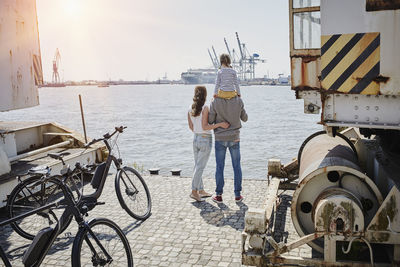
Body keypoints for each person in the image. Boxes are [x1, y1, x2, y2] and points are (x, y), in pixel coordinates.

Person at [187, 86, 230, 202]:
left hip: (195, 138)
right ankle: (194, 191)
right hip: (205, 138)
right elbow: (206, 126)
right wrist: (220, 124)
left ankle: (200, 190)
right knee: (200, 167)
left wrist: (198, 132)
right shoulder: (205, 108)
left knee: (197, 165)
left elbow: (191, 127)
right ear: (204, 95)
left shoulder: (190, 108)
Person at [208, 90, 248, 203]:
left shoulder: (215, 101)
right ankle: (237, 195)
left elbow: (210, 120)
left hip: (220, 138)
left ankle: (219, 195)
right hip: (235, 138)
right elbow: (245, 118)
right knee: (237, 166)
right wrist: (240, 106)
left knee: (219, 167)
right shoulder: (238, 100)